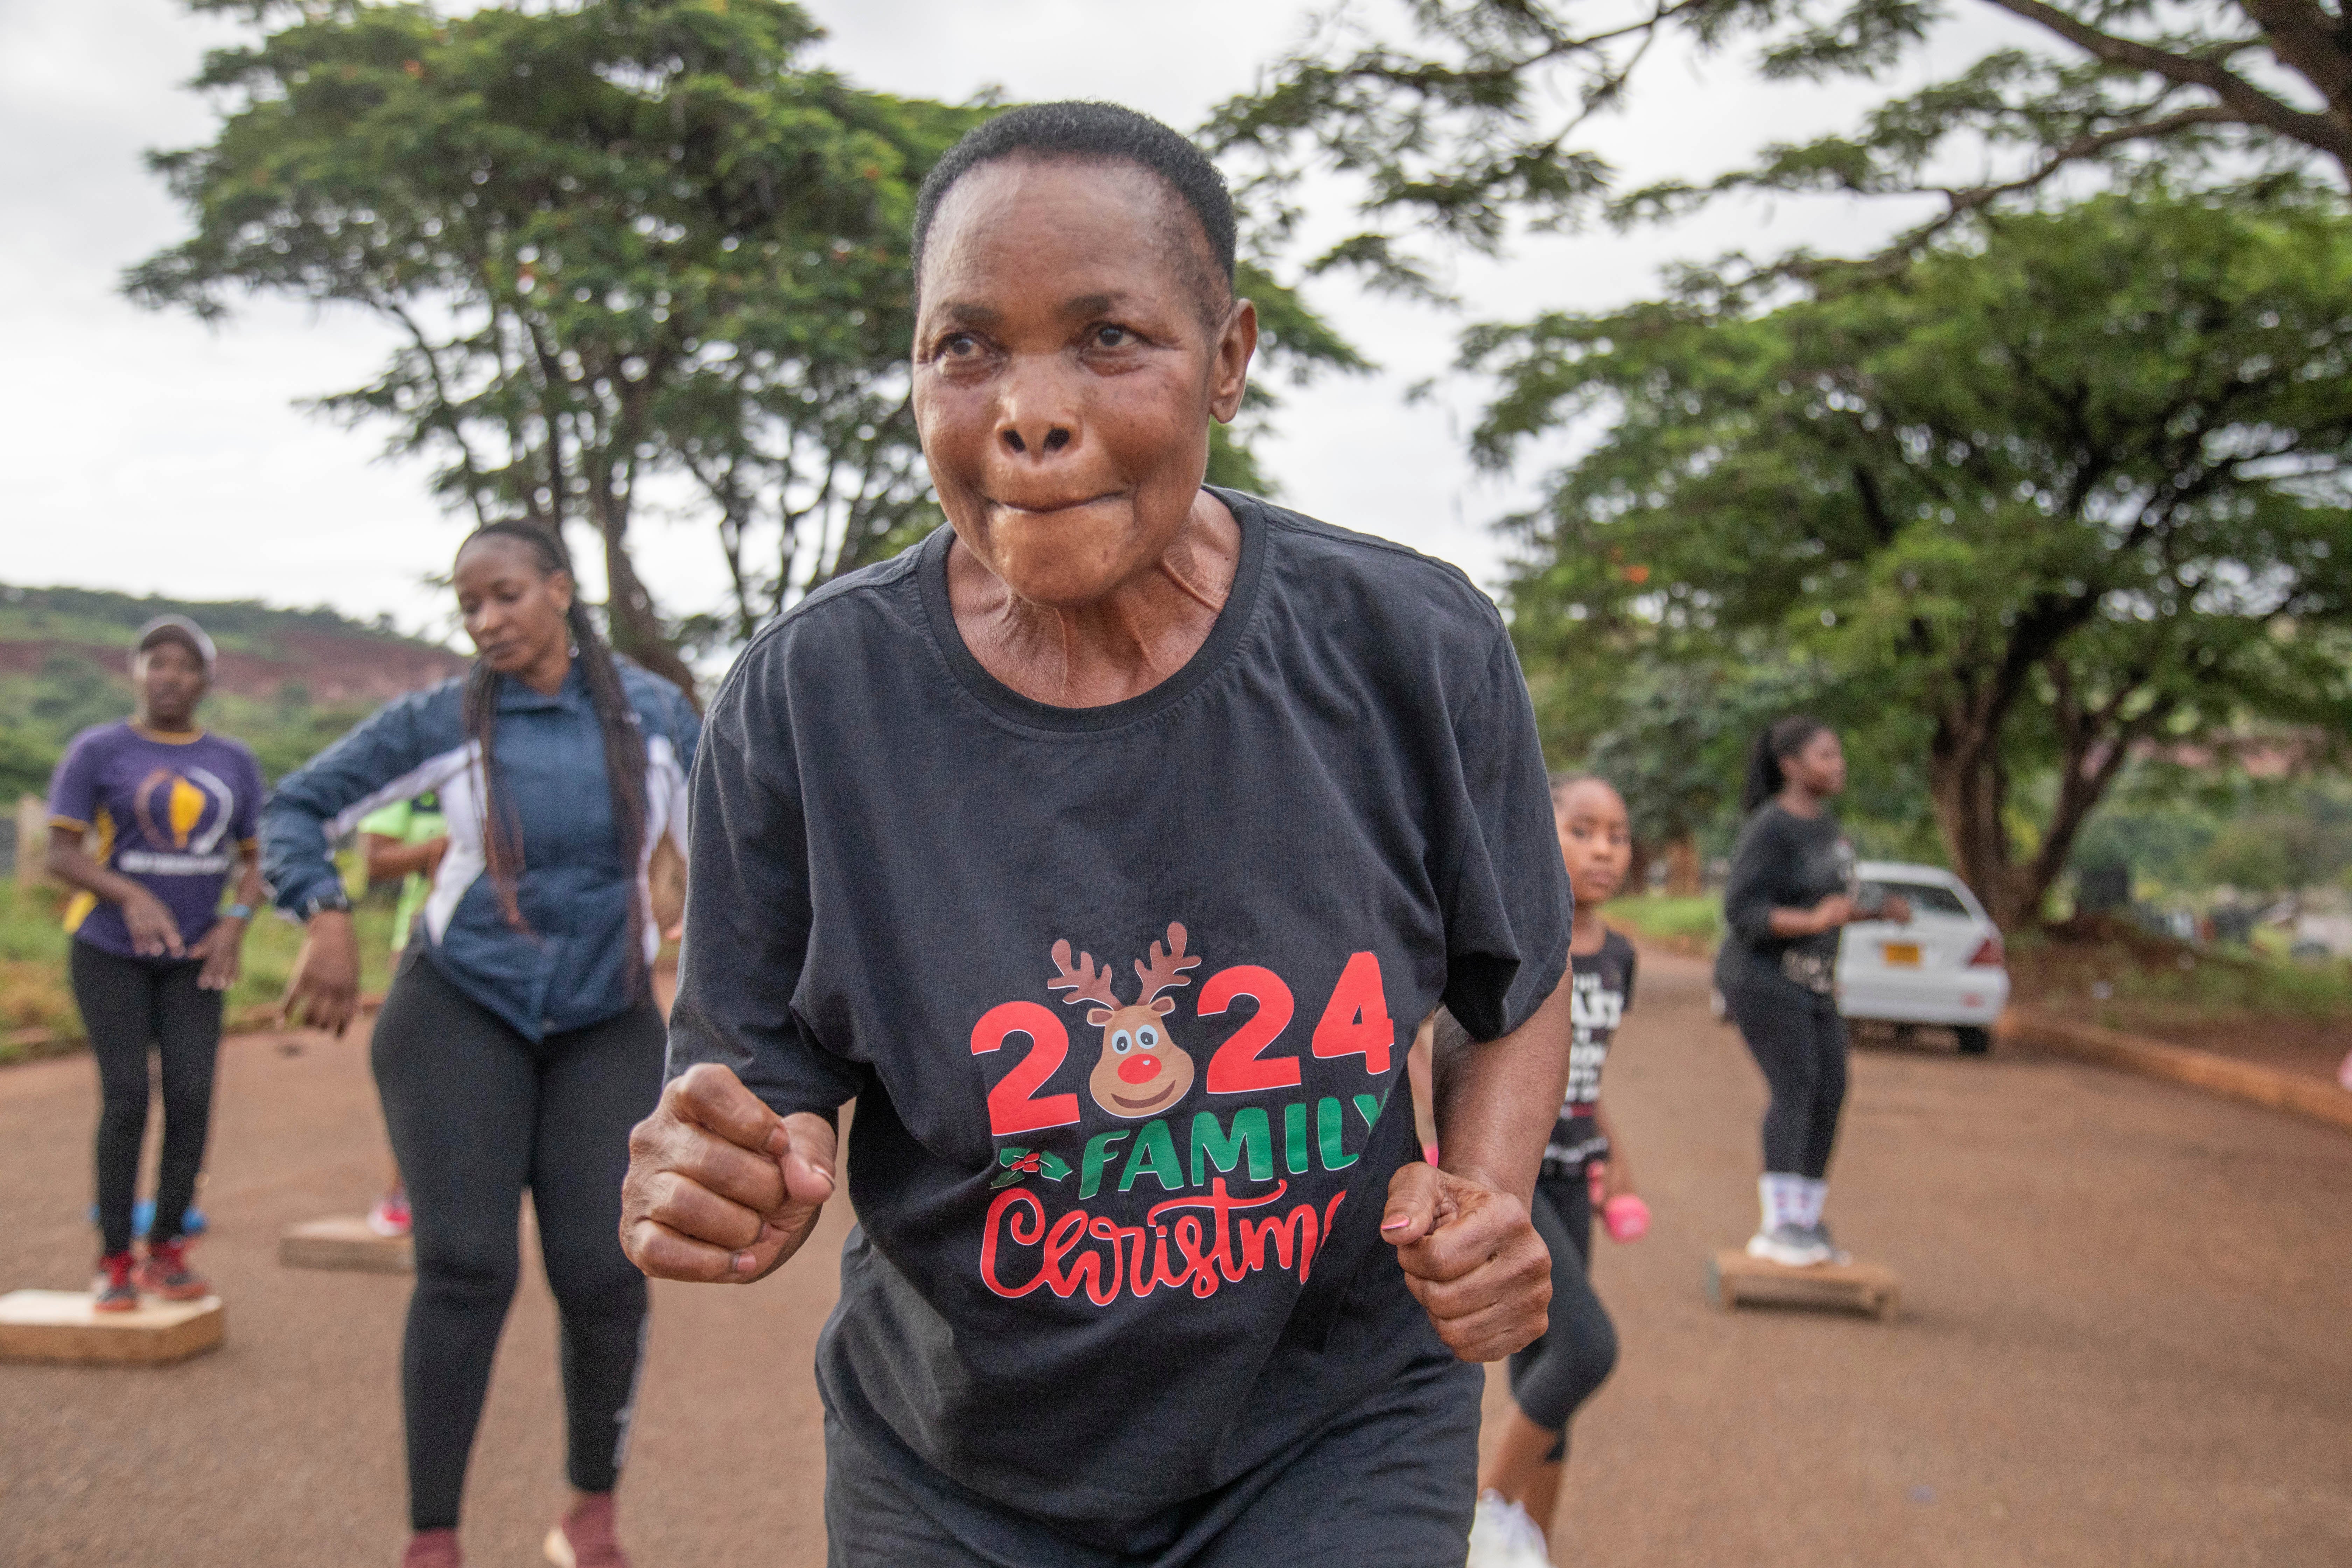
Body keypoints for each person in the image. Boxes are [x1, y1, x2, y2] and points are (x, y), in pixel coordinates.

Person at [618, 101, 1575, 1568]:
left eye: (1110, 337)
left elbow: (1516, 979)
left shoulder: (1411, 649)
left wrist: (1488, 1206)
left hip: (1333, 1423)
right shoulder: (812, 696)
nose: (1031, 408)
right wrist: (740, 1165)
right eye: (967, 348)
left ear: (1230, 361)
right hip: (955, 1464)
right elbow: (761, 1068)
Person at [263, 522, 698, 1568]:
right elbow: (299, 805)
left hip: (603, 1017)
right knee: (466, 1265)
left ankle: (587, 1514)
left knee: (604, 1268)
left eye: (504, 594)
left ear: (558, 589)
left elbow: (742, 837)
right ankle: (433, 1537)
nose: (485, 619)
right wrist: (322, 909)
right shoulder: (443, 717)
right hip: (458, 1009)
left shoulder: (651, 715)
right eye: (468, 605)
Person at [44, 615, 265, 1312]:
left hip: (196, 957)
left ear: (205, 679)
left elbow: (259, 859)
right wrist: (129, 893)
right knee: (128, 1098)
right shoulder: (98, 751)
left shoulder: (234, 760)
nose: (170, 675)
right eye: (156, 662)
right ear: (133, 672)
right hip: (110, 951)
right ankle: (114, 1255)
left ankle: (168, 1247)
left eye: (185, 664)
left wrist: (235, 920)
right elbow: (61, 853)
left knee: (193, 1097)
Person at [1468, 775, 1649, 1568]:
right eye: (1584, 830)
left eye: (1618, 834)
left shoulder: (1622, 958)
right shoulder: (1518, 935)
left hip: (1578, 1175)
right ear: (1545, 830)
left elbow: (1590, 1079)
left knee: (1551, 1382)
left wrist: (1622, 1162)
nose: (1604, 848)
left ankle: (1534, 1546)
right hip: (1522, 1174)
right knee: (1587, 1348)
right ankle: (1485, 1518)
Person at [1716, 717, 1907, 1267]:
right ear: (1791, 765)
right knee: (1796, 1088)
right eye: (1826, 755)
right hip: (1761, 980)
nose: (1839, 764)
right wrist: (1812, 920)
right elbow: (1742, 912)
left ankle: (1805, 1219)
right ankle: (1777, 1226)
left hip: (1817, 985)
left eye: (1838, 754)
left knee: (1832, 1092)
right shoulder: (1769, 827)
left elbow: (1832, 908)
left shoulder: (1827, 828)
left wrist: (1876, 911)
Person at [357, 790, 449, 1238]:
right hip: (422, 946)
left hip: (509, 945)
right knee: (421, 1074)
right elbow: (374, 860)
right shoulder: (419, 775)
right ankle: (404, 1191)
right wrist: (445, 848)